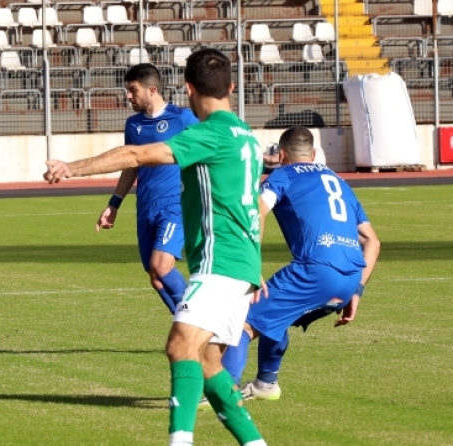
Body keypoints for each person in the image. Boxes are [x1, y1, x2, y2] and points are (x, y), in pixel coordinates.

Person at [44, 48, 267, 446]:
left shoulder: (208, 133)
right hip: (242, 263)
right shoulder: (247, 136)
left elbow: (135, 155)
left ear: (189, 89)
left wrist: (71, 168)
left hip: (220, 262)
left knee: (180, 346)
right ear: (231, 87)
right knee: (207, 360)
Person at [219, 125, 380, 401]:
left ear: (282, 155)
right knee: (275, 312)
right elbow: (372, 241)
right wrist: (357, 291)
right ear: (314, 154)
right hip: (350, 278)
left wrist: (251, 263)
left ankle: (222, 394)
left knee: (241, 319)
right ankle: (266, 384)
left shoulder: (283, 174)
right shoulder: (339, 181)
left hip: (316, 272)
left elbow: (258, 209)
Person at [96, 63, 198, 314]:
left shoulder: (182, 118)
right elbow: (130, 166)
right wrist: (114, 204)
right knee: (155, 276)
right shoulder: (133, 125)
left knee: (161, 265)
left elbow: (209, 146)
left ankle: (199, 320)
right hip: (146, 207)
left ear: (152, 90)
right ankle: (190, 326)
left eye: (133, 90)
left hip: (175, 206)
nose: (128, 96)